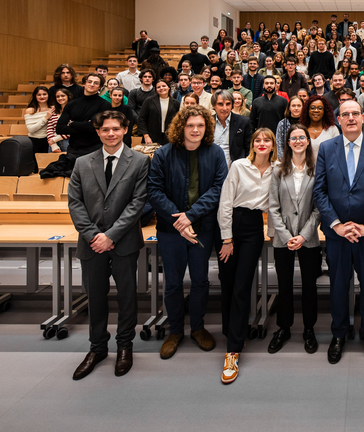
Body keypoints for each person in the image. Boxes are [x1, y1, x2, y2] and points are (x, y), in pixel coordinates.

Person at [68, 110, 149, 380]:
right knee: (96, 297)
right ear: (98, 132)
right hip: (91, 243)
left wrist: (111, 235)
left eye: (116, 128)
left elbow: (137, 203)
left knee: (127, 298)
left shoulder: (139, 161)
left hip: (124, 241)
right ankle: (97, 347)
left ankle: (125, 346)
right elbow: (75, 204)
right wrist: (94, 235)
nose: (111, 133)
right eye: (105, 129)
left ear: (125, 130)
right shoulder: (81, 163)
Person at [314, 100, 364, 366]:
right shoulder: (326, 148)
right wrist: (336, 223)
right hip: (337, 233)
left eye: (354, 114)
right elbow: (320, 191)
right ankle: (338, 334)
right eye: (344, 114)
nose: (349, 118)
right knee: (337, 285)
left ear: (362, 118)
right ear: (337, 120)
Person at [147, 104, 228, 359]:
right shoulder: (163, 153)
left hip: (201, 228)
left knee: (200, 280)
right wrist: (179, 222)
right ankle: (174, 331)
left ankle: (197, 327)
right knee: (172, 283)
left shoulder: (215, 153)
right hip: (171, 230)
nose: (195, 129)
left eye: (200, 125)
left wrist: (190, 217)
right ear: (181, 127)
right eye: (190, 125)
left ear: (207, 128)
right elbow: (154, 191)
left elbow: (219, 189)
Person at [217, 128, 277, 383]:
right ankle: (230, 329)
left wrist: (273, 234)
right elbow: (225, 202)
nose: (262, 144)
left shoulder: (277, 169)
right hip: (233, 224)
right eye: (257, 140)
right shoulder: (240, 165)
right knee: (227, 283)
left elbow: (275, 204)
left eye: (267, 140)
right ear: (252, 144)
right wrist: (227, 239)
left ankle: (233, 349)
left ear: (273, 145)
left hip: (254, 227)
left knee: (242, 285)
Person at [266, 125, 322, 354]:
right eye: (293, 138)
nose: (298, 141)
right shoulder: (278, 170)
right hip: (283, 238)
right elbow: (273, 207)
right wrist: (288, 236)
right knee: (284, 285)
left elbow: (319, 209)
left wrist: (303, 235)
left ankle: (309, 328)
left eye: (302, 137)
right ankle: (284, 327)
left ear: (308, 141)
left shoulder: (318, 169)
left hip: (308, 237)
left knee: (310, 285)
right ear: (287, 143)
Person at [56, 73, 112, 157]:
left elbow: (93, 127)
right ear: (84, 84)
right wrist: (85, 126)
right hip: (73, 149)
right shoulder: (72, 104)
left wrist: (72, 124)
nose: (92, 84)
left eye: (96, 83)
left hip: (95, 148)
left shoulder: (105, 105)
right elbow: (59, 128)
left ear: (100, 87)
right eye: (89, 82)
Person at [212, 89, 252, 167]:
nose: (225, 108)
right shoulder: (207, 122)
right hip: (212, 167)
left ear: (232, 105)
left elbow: (249, 148)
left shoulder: (243, 122)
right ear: (214, 105)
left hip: (235, 168)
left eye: (228, 104)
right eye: (220, 104)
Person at [137, 80, 180, 146]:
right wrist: (146, 136)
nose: (161, 88)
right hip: (151, 137)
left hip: (169, 138)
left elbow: (177, 121)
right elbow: (142, 119)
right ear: (156, 90)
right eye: (158, 87)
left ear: (169, 88)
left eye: (164, 86)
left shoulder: (176, 103)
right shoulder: (149, 101)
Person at [24, 86, 53, 155]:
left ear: (48, 95)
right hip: (34, 141)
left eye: (44, 94)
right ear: (35, 96)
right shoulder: (30, 110)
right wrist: (46, 118)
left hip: (49, 141)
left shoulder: (52, 109)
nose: (42, 96)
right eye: (39, 95)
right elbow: (31, 130)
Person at [47, 87, 72, 152]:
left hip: (68, 141)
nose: (60, 98)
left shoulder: (74, 110)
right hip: (53, 143)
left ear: (68, 96)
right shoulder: (54, 111)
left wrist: (55, 139)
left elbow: (72, 129)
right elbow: (50, 128)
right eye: (58, 96)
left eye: (63, 96)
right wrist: (53, 145)